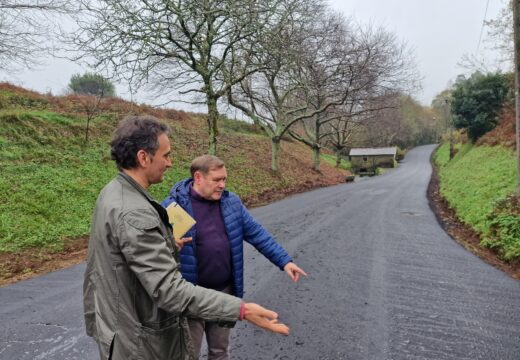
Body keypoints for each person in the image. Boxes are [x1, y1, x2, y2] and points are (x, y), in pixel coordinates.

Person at [83, 116, 289, 360]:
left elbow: (116, 264)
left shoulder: (113, 192)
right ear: (143, 158)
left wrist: (168, 244)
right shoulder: (135, 213)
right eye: (166, 155)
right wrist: (240, 309)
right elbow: (168, 290)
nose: (170, 163)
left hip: (120, 327)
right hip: (138, 340)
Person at [161, 154, 307, 360]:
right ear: (198, 178)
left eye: (224, 179)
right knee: (187, 354)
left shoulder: (231, 203)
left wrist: (284, 261)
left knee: (220, 351)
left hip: (224, 292)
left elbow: (257, 234)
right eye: (216, 180)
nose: (222, 185)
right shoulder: (172, 207)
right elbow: (155, 252)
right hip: (191, 296)